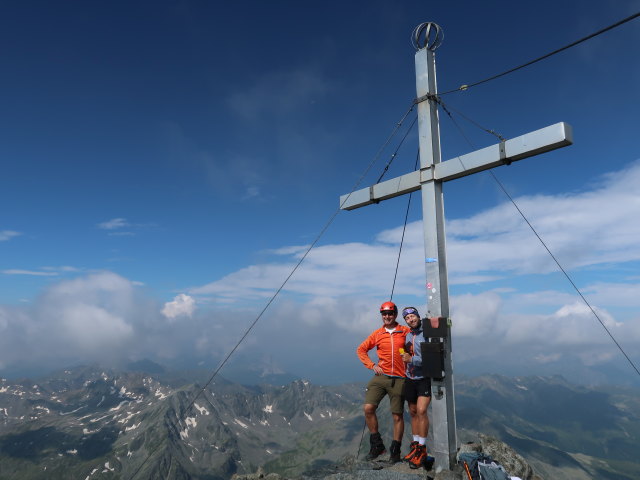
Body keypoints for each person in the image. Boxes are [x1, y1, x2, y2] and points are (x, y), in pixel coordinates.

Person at [356, 301, 410, 463]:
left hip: (400, 377)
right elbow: (361, 349)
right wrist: (372, 365)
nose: (387, 316)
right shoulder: (378, 334)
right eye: (384, 314)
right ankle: (377, 445)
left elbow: (416, 343)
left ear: (395, 315)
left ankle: (395, 451)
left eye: (390, 313)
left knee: (397, 416)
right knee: (368, 408)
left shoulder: (405, 331)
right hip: (381, 377)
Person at [400, 306, 432, 469]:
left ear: (418, 317)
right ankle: (415, 446)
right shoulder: (407, 334)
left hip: (424, 378)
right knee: (412, 412)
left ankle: (422, 449)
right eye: (407, 318)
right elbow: (404, 353)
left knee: (421, 411)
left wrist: (412, 359)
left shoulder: (426, 334)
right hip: (410, 378)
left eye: (413, 316)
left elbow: (431, 358)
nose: (411, 319)